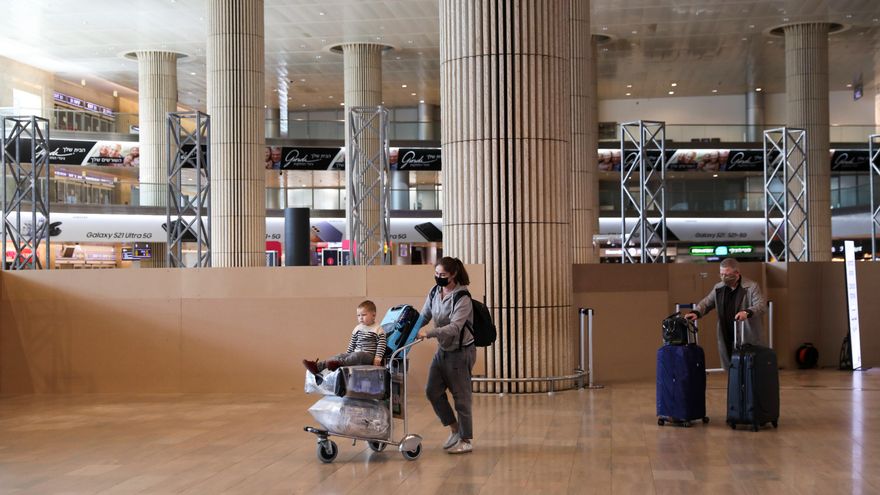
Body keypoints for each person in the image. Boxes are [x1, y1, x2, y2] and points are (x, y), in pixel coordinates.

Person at [416, 257, 475, 454]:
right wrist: (408, 329)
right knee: (432, 391)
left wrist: (429, 333)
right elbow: (424, 315)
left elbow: (454, 328)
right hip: (443, 350)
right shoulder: (435, 291)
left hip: (460, 352)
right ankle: (455, 429)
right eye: (436, 274)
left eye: (442, 275)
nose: (438, 278)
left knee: (461, 397)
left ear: (453, 274)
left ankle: (466, 440)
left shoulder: (462, 298)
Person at [685, 258, 767, 370]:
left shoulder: (751, 287)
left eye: (727, 274)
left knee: (748, 368)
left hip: (746, 335)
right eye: (721, 274)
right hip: (726, 334)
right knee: (730, 368)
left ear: (737, 273)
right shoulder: (718, 288)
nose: (724, 277)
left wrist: (747, 312)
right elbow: (707, 302)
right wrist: (697, 312)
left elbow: (761, 306)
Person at [302, 300, 386, 374]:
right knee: (340, 355)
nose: (360, 318)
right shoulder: (357, 328)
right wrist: (347, 354)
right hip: (355, 354)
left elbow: (381, 345)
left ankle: (339, 364)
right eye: (358, 315)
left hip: (369, 356)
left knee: (358, 355)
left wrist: (377, 358)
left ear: (373, 315)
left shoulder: (378, 329)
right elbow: (352, 343)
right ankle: (318, 366)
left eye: (363, 315)